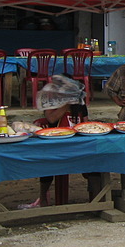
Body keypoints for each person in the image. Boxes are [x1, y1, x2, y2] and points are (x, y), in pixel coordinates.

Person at [19, 75, 90, 208]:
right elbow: (51, 119)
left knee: (94, 166)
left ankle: (96, 198)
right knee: (47, 165)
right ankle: (43, 198)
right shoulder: (51, 101)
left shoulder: (80, 103)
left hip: (77, 143)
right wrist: (65, 104)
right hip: (57, 143)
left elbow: (86, 123)